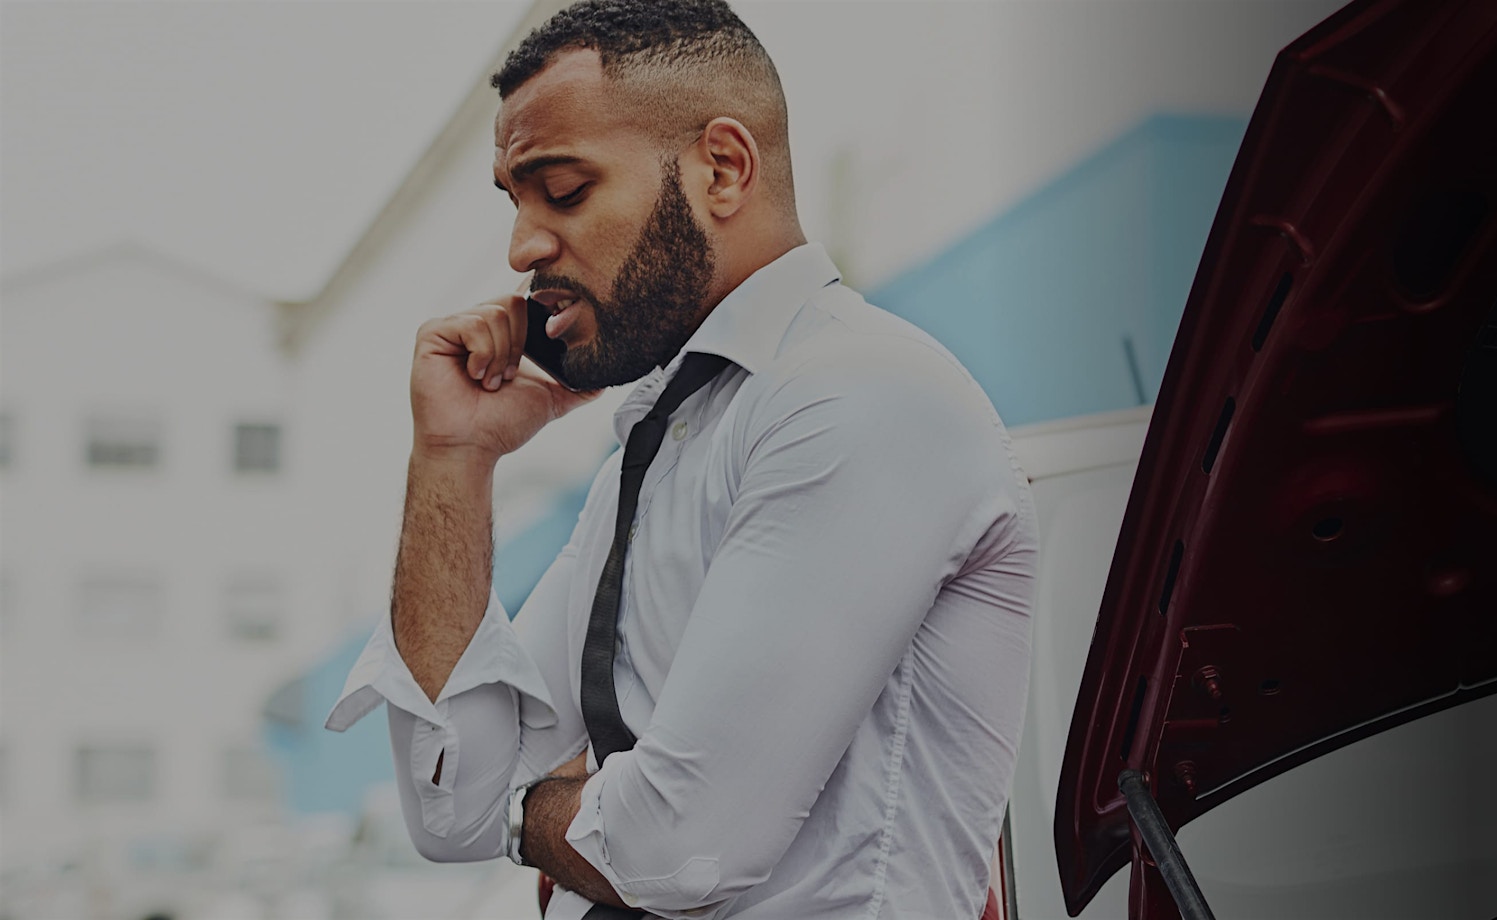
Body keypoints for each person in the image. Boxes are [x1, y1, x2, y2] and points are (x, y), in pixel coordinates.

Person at [322, 2, 1037, 917]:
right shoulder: (663, 437)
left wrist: (526, 810)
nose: (522, 247)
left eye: (565, 190)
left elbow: (676, 850)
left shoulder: (860, 395)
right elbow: (448, 803)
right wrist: (452, 459)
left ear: (723, 169)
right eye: (516, 200)